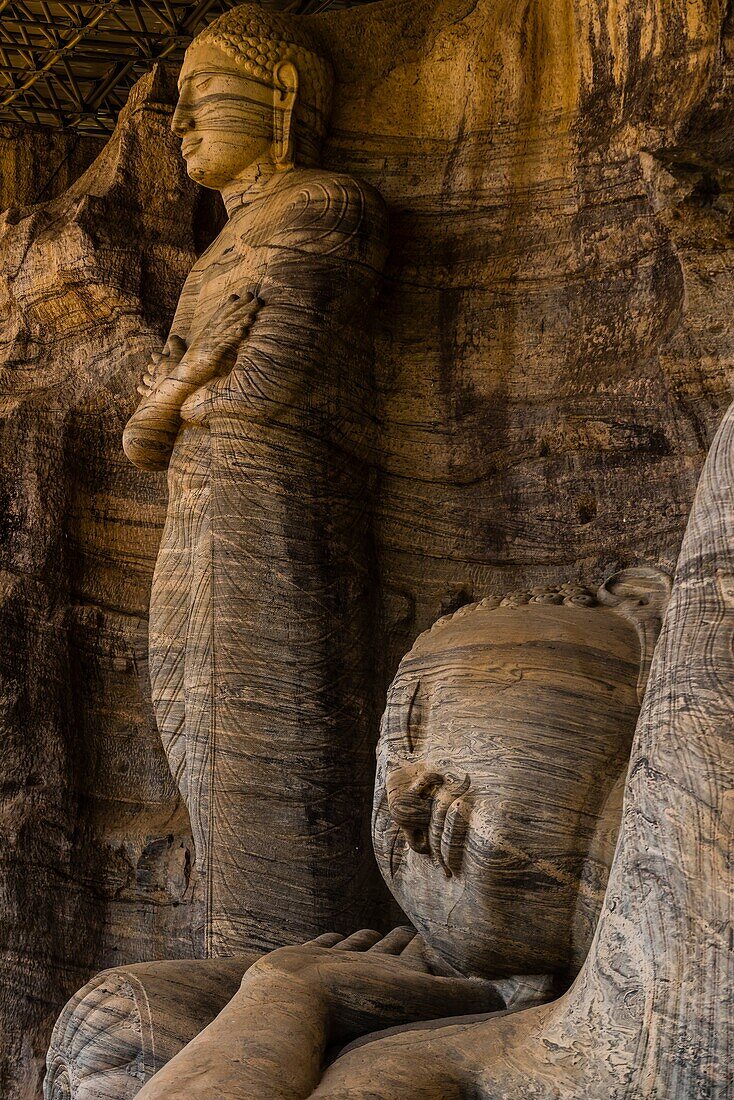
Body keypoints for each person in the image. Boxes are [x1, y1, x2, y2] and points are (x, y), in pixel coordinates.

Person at [132, 572, 668, 1100]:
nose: (402, 799)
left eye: (417, 718)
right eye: (390, 846)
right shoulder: (437, 1060)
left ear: (643, 601)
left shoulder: (693, 697)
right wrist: (285, 992)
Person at [122, 4, 389, 955]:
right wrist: (195, 381)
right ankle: (236, 960)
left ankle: (296, 963)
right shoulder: (211, 259)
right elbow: (141, 437)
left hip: (279, 500)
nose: (183, 125)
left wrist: (188, 394)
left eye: (201, 98)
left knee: (269, 728)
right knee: (187, 715)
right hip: (193, 502)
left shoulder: (328, 208)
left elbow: (263, 390)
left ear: (282, 96)